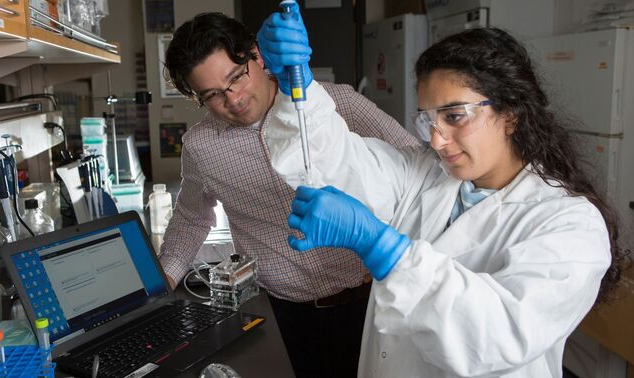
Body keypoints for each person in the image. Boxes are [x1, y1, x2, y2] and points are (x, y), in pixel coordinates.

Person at [264, 27, 626, 377]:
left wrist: (383, 249)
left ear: (510, 114)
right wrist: (298, 87)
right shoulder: (427, 174)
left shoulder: (570, 223)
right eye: (428, 120)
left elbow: (496, 335)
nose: (437, 141)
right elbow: (337, 160)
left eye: (454, 116)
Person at [160, 10, 421, 377]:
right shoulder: (201, 147)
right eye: (213, 95)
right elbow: (191, 219)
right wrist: (157, 287)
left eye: (236, 77)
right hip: (284, 315)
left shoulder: (336, 104)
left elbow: (418, 174)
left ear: (257, 55)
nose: (233, 99)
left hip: (373, 302)